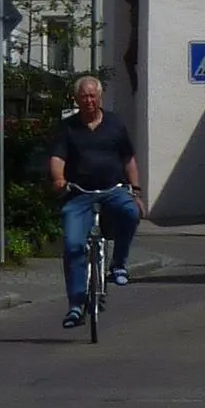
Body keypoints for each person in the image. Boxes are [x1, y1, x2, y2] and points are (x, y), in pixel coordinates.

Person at [48, 74, 141, 328]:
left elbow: (128, 159)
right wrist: (58, 179)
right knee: (73, 245)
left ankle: (118, 265)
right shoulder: (68, 128)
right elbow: (58, 158)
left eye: (92, 96)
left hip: (113, 190)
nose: (88, 100)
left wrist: (136, 190)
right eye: (83, 96)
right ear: (77, 99)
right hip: (80, 194)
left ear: (99, 97)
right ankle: (76, 305)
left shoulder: (115, 125)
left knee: (131, 213)